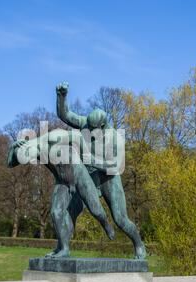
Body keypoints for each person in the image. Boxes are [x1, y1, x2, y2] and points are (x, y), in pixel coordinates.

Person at [56, 82, 147, 260]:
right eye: (88, 128)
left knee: (121, 219)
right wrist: (61, 96)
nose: (89, 131)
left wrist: (94, 162)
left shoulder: (115, 139)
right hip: (87, 177)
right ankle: (62, 247)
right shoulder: (85, 124)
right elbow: (64, 114)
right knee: (69, 211)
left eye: (93, 129)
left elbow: (116, 167)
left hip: (108, 179)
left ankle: (139, 244)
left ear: (103, 126)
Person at [7, 129, 115, 258]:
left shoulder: (53, 138)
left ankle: (106, 224)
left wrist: (88, 157)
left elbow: (76, 136)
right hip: (62, 182)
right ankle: (63, 248)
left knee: (96, 210)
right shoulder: (29, 150)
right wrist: (12, 148)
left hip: (79, 175)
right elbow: (10, 164)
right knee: (55, 213)